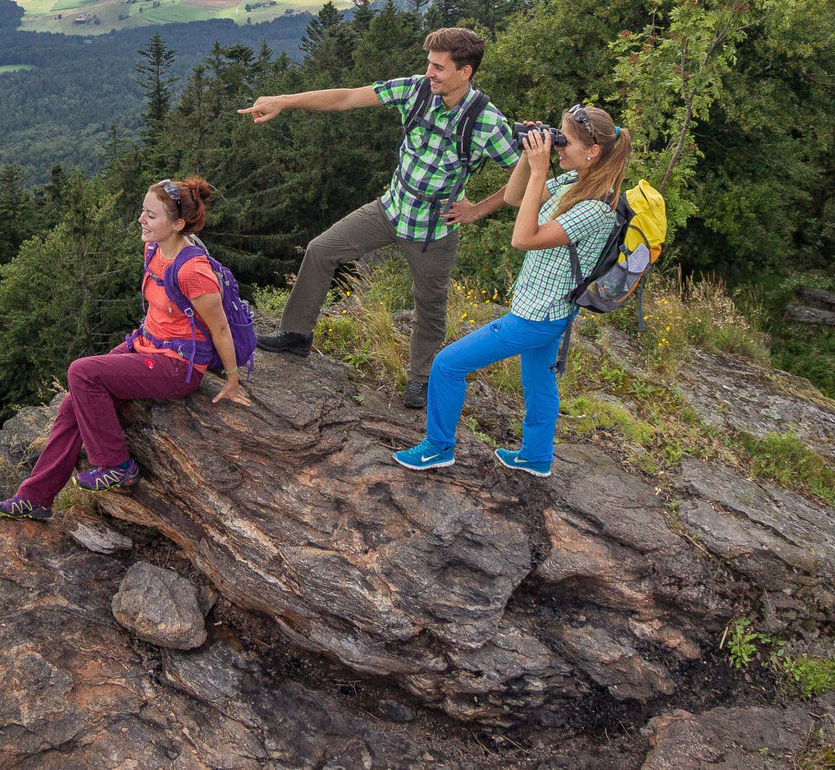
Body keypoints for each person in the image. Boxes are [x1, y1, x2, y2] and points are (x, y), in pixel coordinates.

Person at [239, 27, 521, 409]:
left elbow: (527, 177)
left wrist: (477, 210)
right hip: (390, 209)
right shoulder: (416, 89)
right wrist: (284, 101)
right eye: (429, 64)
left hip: (434, 230)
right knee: (321, 250)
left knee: (430, 305)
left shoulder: (488, 122)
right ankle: (296, 334)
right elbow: (346, 98)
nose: (430, 72)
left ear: (465, 71)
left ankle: (421, 380)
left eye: (438, 67)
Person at [0, 176, 251, 520]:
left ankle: (115, 464)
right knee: (73, 402)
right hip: (145, 346)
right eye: (143, 211)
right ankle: (35, 497)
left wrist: (232, 380)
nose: (141, 220)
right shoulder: (155, 248)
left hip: (177, 367)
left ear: (178, 224)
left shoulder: (193, 270)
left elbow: (218, 328)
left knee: (81, 372)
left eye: (151, 215)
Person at [391, 105, 630, 477]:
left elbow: (523, 238)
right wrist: (527, 157)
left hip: (538, 316)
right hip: (548, 310)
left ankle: (437, 448)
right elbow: (517, 197)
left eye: (563, 141)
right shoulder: (574, 182)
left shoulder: (598, 206)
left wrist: (539, 170)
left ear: (593, 151)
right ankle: (536, 457)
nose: (559, 147)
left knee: (447, 365)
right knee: (538, 383)